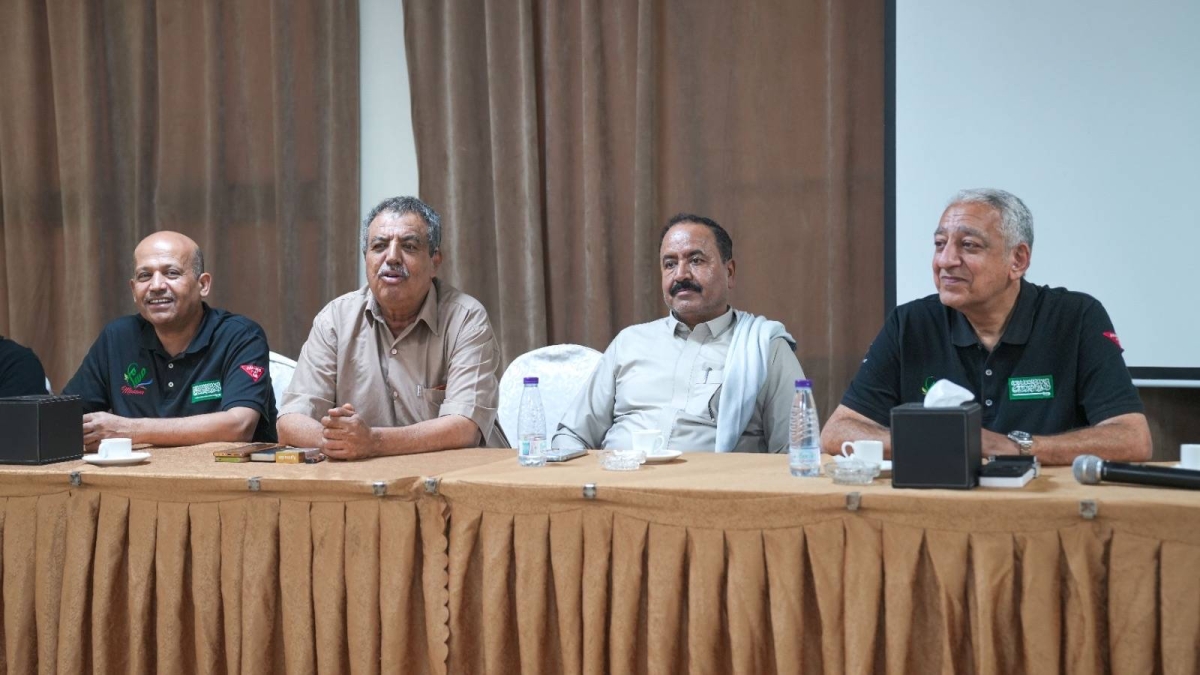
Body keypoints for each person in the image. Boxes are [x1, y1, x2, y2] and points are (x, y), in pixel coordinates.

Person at [821, 188, 1151, 465]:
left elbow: (1132, 439)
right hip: (940, 505)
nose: (945, 260)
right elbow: (838, 432)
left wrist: (1015, 447)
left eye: (969, 246)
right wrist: (941, 441)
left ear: (1018, 260)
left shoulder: (1076, 318)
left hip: (1046, 507)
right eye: (940, 243)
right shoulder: (910, 324)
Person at [552, 213, 806, 453]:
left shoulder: (764, 348)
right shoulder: (629, 342)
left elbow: (795, 451)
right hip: (619, 479)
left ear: (729, 273)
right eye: (670, 264)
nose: (681, 274)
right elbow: (573, 435)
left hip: (713, 484)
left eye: (696, 260)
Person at [277, 196, 506, 459]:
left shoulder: (466, 318)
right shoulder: (335, 320)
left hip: (460, 475)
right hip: (371, 480)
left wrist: (373, 442)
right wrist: (339, 440)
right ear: (366, 258)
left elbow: (464, 428)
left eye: (409, 246)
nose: (393, 257)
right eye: (379, 246)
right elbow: (290, 422)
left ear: (435, 261)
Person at [63, 231, 277, 451]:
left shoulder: (240, 336)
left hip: (222, 471)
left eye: (171, 273)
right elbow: (62, 417)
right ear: (134, 290)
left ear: (203, 284)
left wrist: (130, 430)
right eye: (145, 276)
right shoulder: (117, 337)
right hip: (136, 472)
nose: (156, 285)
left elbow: (240, 426)